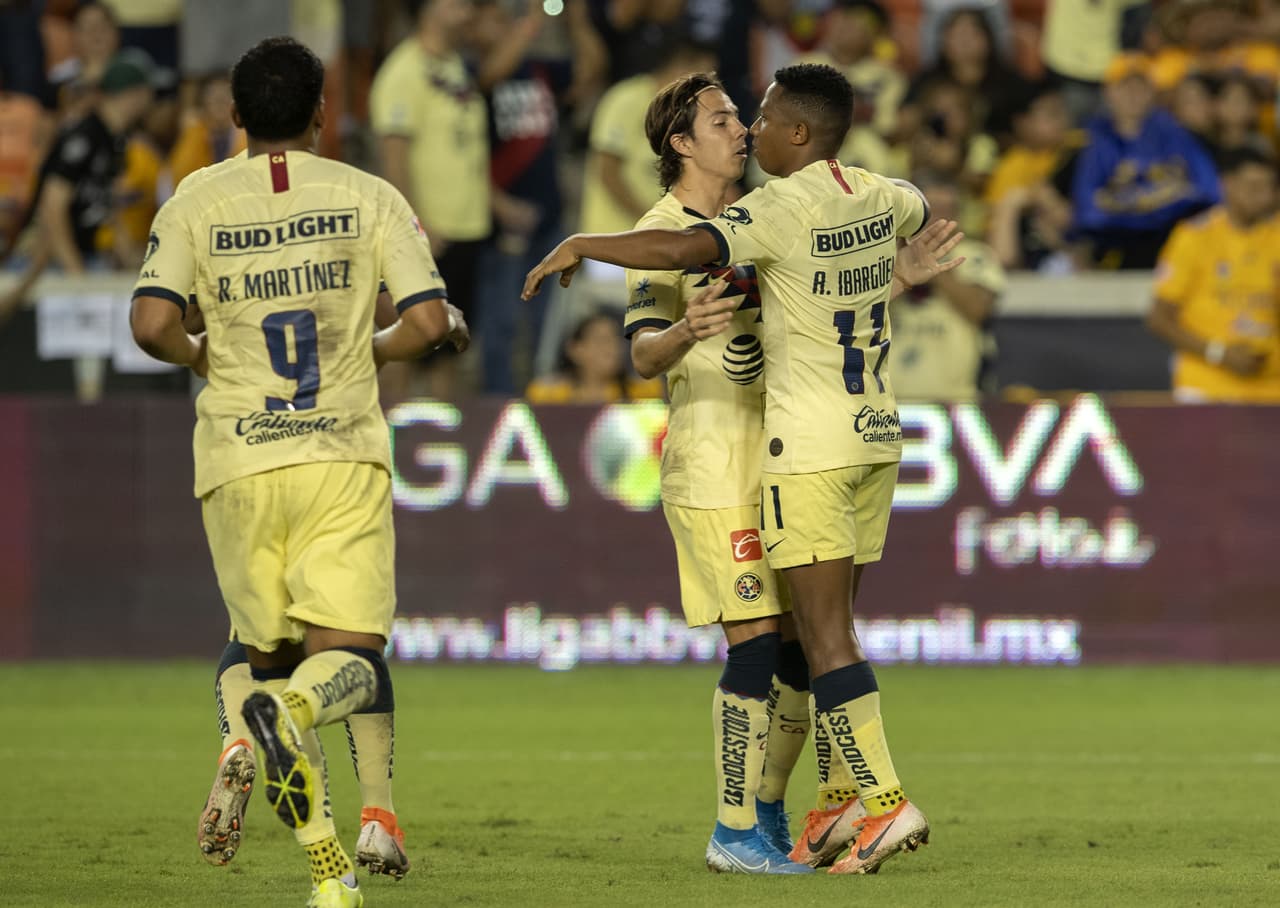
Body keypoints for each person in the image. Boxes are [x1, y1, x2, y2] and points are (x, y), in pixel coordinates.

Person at [525, 62, 962, 875]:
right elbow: (645, 356)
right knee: (758, 644)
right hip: (719, 461)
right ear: (683, 143)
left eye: (745, 116)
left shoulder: (779, 212)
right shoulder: (660, 230)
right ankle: (736, 826)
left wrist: (894, 278)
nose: (742, 129)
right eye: (725, 119)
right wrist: (685, 330)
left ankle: (777, 808)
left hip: (795, 448)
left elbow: (819, 308)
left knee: (803, 648)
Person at [130, 36, 468, 908]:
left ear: (233, 117)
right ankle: (310, 745)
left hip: (236, 459)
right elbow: (428, 323)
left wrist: (209, 358)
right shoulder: (369, 196)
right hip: (339, 452)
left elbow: (151, 324)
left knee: (262, 657)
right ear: (324, 112)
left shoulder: (196, 199)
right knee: (348, 657)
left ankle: (328, 872)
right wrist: (370, 347)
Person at [371, 0, 488, 399]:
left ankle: (441, 443)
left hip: (466, 227)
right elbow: (394, 155)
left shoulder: (456, 63)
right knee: (407, 345)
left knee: (450, 348)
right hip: (428, 234)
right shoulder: (403, 71)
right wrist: (416, 226)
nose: (466, 7)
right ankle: (391, 447)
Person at [1146, 147, 1280, 402]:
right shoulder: (1194, 236)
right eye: (1253, 187)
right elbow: (1159, 318)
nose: (1263, 197)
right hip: (1205, 384)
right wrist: (1219, 353)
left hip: (1271, 388)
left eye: (1269, 188)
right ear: (1227, 185)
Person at [1070, 53, 1219, 270]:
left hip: (1170, 238)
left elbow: (1209, 192)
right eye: (1124, 87)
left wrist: (1130, 205)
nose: (1132, 95)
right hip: (1114, 243)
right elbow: (1088, 211)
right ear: (1109, 93)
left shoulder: (1175, 134)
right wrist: (1159, 200)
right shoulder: (1091, 139)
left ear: (1152, 92)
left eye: (1140, 87)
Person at [891, 174, 1003, 401]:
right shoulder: (886, 257)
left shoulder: (977, 255)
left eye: (945, 211)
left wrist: (933, 269)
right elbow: (859, 311)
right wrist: (901, 274)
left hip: (956, 401)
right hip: (888, 401)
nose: (935, 220)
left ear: (957, 216)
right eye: (928, 211)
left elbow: (978, 310)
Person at [525, 310, 661, 403]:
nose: (612, 348)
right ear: (575, 349)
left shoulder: (643, 394)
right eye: (602, 340)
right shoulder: (548, 395)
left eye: (615, 340)